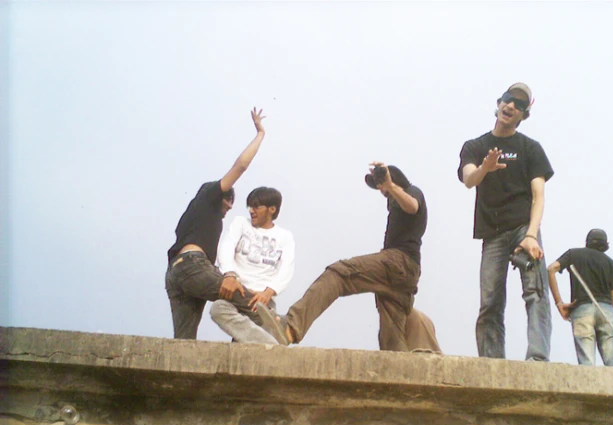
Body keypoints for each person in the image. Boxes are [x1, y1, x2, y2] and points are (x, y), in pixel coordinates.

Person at [257, 162, 427, 352]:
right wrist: (388, 186)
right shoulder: (395, 200)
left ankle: (290, 327)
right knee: (391, 338)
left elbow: (412, 206)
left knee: (339, 273)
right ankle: (399, 376)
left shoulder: (413, 191)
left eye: (382, 186)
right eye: (380, 187)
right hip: (405, 276)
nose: (381, 191)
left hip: (399, 262)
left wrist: (390, 185)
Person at [457, 82, 554, 361]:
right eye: (509, 99)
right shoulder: (476, 146)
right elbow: (468, 179)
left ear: (524, 115)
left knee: (535, 294)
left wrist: (532, 235)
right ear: (499, 102)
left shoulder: (530, 148)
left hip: (524, 228)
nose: (512, 106)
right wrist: (485, 169)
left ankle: (537, 359)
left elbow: (538, 195)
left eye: (520, 105)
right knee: (490, 303)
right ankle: (491, 363)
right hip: (493, 234)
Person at [165, 108, 268, 339]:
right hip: (193, 266)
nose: (230, 207)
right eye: (228, 200)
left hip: (175, 274)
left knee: (184, 342)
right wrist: (260, 134)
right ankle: (243, 360)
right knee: (258, 305)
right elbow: (240, 167)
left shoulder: (193, 216)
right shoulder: (207, 196)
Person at [209, 187, 295, 344]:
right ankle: (271, 343)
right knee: (217, 309)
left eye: (257, 206)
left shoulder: (285, 237)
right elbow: (226, 247)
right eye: (250, 206)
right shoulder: (241, 223)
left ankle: (266, 339)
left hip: (263, 302)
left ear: (272, 209)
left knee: (244, 346)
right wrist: (229, 274)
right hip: (238, 294)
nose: (251, 211)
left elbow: (287, 268)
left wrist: (268, 292)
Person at [547, 229, 613, 366]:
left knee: (587, 366)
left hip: (582, 310)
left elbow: (551, 269)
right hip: (607, 311)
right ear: (605, 245)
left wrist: (559, 303)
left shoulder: (574, 254)